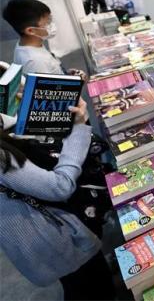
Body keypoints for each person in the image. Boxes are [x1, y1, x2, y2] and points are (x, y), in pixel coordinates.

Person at [0, 100, 115, 300]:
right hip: (51, 237)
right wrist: (78, 129)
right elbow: (60, 186)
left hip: (42, 234)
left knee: (88, 280)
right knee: (90, 288)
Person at [3, 0, 64, 75]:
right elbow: (46, 82)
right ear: (31, 31)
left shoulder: (29, 44)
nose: (52, 24)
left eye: (50, 19)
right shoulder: (36, 61)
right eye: (48, 22)